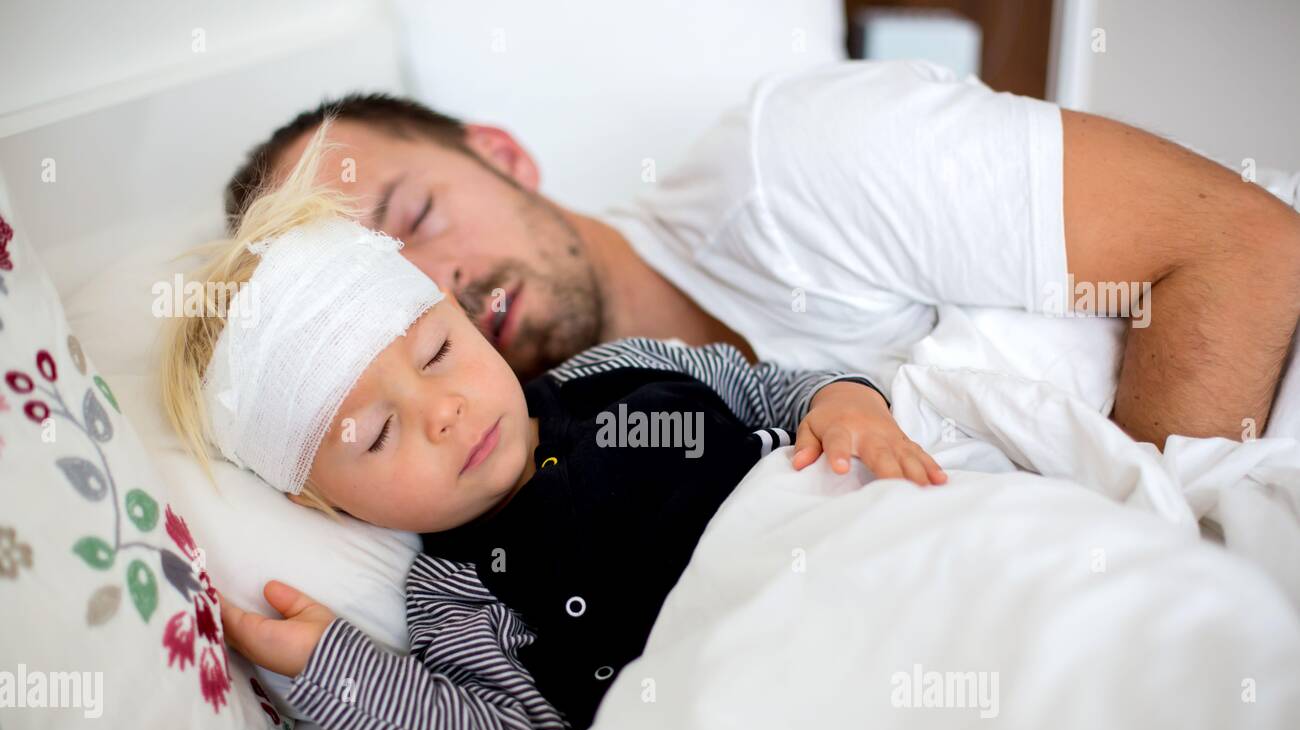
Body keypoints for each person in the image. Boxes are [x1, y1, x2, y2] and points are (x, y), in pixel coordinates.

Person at [162, 124, 943, 730]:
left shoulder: (622, 369)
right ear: (325, 504)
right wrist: (338, 672)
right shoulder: (460, 594)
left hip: (885, 575)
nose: (442, 412)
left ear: (461, 319)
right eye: (377, 435)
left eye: (438, 353)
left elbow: (771, 389)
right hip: (769, 708)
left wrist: (846, 403)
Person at [225, 60, 1300, 452]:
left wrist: (1142, 560)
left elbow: (1245, 244)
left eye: (415, 216)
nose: (435, 287)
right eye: (374, 287)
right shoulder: (564, 471)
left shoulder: (792, 165)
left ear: (499, 155)